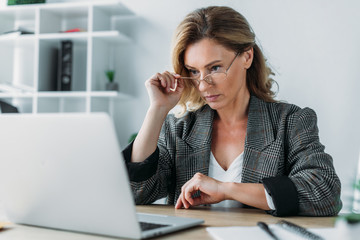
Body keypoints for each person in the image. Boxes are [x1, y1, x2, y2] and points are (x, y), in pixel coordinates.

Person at [122, 6, 342, 217]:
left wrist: (227, 189)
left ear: (247, 57)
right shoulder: (178, 129)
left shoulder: (291, 121)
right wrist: (157, 110)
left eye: (215, 68)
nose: (203, 85)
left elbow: (325, 192)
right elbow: (134, 193)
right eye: (193, 71)